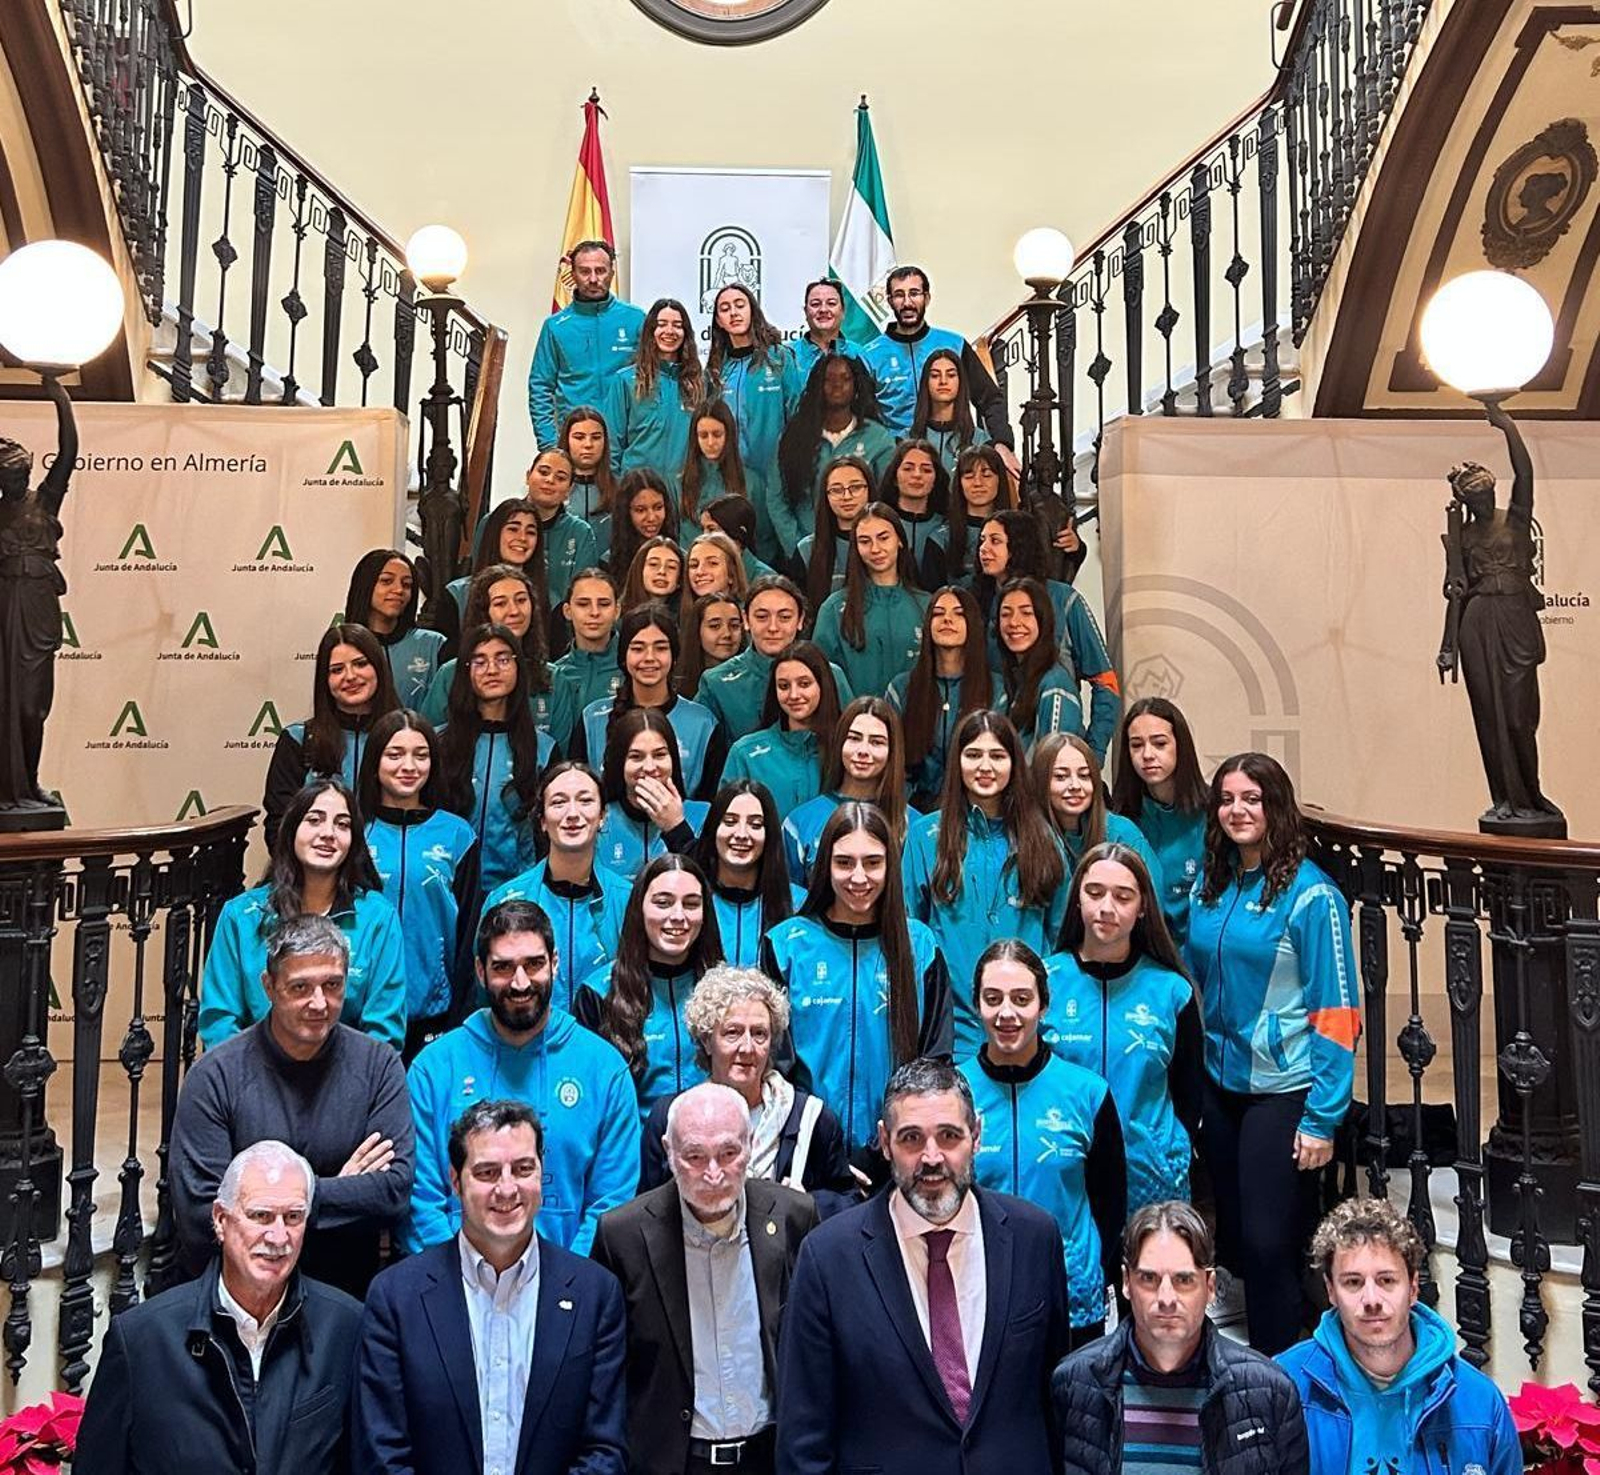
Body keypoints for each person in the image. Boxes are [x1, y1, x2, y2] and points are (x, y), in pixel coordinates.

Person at [776, 1059, 1069, 1475]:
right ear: (883, 1141)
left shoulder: (1034, 1238)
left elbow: (1055, 1401)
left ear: (977, 1136)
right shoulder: (827, 1258)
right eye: (912, 1139)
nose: (932, 1158)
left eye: (949, 1136)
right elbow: (803, 1438)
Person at [1184, 752, 1359, 1355]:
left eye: (1251, 799)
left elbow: (1337, 1013)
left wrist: (1322, 1117)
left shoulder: (1313, 897)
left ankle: (1278, 1375)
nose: (1237, 810)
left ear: (1276, 806)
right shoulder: (1214, 885)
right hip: (1220, 1083)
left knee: (1268, 1243)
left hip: (1284, 1090)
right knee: (1232, 1234)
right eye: (1227, 799)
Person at [355, 1099, 628, 1475]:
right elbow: (381, 1457)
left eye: (523, 1169)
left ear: (541, 1174)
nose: (507, 1189)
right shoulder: (395, 1299)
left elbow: (605, 1450)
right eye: (486, 1172)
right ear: (455, 1181)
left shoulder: (595, 1295)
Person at [77, 1141, 363, 1475]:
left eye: (293, 1217)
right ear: (220, 1220)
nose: (278, 1236)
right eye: (261, 1215)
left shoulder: (345, 1327)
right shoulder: (142, 1340)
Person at [175, 916, 413, 1296]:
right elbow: (202, 1215)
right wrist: (333, 1192)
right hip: (237, 1297)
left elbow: (393, 1193)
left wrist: (261, 1208)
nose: (319, 1004)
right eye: (300, 987)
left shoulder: (378, 1066)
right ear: (269, 987)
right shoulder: (215, 1075)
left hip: (344, 1293)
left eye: (333, 986)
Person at [592, 1081, 820, 1475]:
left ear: (750, 1145)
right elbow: (607, 1373)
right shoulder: (623, 1237)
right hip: (671, 1462)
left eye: (728, 1153)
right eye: (695, 1156)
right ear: (669, 1152)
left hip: (771, 1459)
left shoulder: (792, 1217)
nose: (713, 1173)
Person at [405, 901, 640, 1256]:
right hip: (454, 1284)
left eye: (534, 965)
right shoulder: (434, 1069)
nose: (520, 983)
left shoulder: (604, 1070)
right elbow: (420, 1199)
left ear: (555, 964)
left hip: (570, 1288)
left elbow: (611, 1203)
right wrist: (461, 1277)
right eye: (502, 967)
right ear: (480, 971)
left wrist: (564, 1281)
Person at [1052, 1201, 1311, 1475]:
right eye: (1149, 1279)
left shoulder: (1269, 1391)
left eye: (1184, 1280)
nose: (1166, 1298)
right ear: (1127, 1282)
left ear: (1210, 1286)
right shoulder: (1074, 1384)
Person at [759, 802, 951, 1163]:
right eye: (844, 862)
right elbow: (775, 1066)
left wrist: (893, 1145)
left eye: (873, 863)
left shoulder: (920, 947)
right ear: (824, 867)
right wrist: (818, 1146)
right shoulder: (785, 946)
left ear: (890, 866)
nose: (859, 877)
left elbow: (935, 1059)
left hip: (899, 1155)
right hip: (807, 1153)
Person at [958, 940, 1125, 1345]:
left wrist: (1095, 1273)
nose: (1007, 1013)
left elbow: (1110, 1203)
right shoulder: (954, 1094)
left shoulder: (1088, 1092)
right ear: (977, 1004)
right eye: (993, 999)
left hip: (1070, 1297)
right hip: (979, 1293)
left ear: (1044, 1006)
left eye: (1021, 999)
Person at [1278, 1198, 1519, 1475]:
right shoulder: (1287, 1386)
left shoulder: (1479, 1401)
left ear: (1414, 1287)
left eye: (1386, 1280)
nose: (1371, 1300)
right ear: (1331, 1291)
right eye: (1353, 1282)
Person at [1047, 843, 1202, 1211]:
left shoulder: (1171, 992)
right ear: (1077, 899)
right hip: (1065, 1172)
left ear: (1143, 906)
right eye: (1095, 892)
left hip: (1150, 1174)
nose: (1106, 908)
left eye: (1123, 896)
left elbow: (1189, 1095)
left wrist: (1168, 1149)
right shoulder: (1045, 981)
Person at [904, 711, 1066, 1060]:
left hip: (1028, 1032)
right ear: (957, 762)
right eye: (973, 754)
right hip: (950, 1035)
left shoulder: (1043, 839)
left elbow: (1063, 937)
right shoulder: (924, 837)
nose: (985, 766)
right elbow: (910, 937)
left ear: (1014, 763)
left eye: (998, 755)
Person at [200, 779, 406, 1050]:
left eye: (342, 824)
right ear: (291, 830)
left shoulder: (378, 918)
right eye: (314, 820)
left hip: (347, 1080)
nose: (329, 833)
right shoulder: (240, 916)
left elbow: (384, 1031)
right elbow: (220, 1022)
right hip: (253, 1079)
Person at [638, 966, 855, 1205]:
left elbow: (847, 1204)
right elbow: (648, 1212)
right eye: (732, 1033)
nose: (748, 1047)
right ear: (707, 1041)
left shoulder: (811, 1119)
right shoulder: (670, 1116)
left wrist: (806, 1206)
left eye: (760, 1034)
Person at [358, 709, 479, 1056]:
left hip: (434, 1009)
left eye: (420, 755)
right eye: (395, 754)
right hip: (363, 1009)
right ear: (375, 761)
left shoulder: (458, 835)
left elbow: (469, 929)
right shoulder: (353, 831)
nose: (408, 766)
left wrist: (460, 1010)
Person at [574, 853, 725, 1115]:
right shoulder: (598, 993)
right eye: (663, 903)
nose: (678, 916)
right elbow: (589, 1101)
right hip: (633, 1151)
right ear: (639, 908)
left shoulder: (726, 989)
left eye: (691, 904)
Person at [479, 762, 631, 1013]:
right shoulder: (503, 900)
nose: (572, 813)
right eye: (559, 803)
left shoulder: (629, 900)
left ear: (603, 816)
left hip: (606, 1045)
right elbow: (486, 997)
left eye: (585, 801)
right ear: (542, 820)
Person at [983, 520, 1121, 757]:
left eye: (995, 541)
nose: (984, 548)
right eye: (981, 541)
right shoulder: (983, 601)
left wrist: (1093, 755)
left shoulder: (1065, 600)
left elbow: (1106, 681)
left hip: (1056, 750)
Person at [436, 622, 555, 894]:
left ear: (517, 668)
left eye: (503, 659)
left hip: (517, 891)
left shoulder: (543, 749)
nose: (492, 669)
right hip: (446, 886)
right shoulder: (438, 744)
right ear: (465, 671)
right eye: (479, 661)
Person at [262, 622, 400, 850]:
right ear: (324, 680)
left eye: (360, 664)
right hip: (316, 873)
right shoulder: (298, 740)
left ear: (379, 668)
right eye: (337, 670)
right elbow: (280, 825)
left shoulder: (406, 738)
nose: (350, 676)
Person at [574, 604, 724, 799]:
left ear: (674, 656)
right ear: (623, 656)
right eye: (638, 648)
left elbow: (709, 803)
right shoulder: (592, 719)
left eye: (661, 648)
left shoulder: (703, 723)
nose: (649, 658)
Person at [422, 563, 575, 745]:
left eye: (521, 600)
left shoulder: (555, 679)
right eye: (501, 603)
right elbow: (428, 744)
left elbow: (560, 757)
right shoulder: (450, 674)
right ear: (483, 612)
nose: (514, 611)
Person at [862, 266, 1014, 447]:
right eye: (899, 295)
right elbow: (863, 418)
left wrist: (1002, 444)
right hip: (895, 457)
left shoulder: (954, 344)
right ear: (889, 301)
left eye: (914, 293)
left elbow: (990, 399)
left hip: (954, 452)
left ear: (926, 298)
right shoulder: (870, 355)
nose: (907, 302)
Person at [705, 283, 803, 560]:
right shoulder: (715, 368)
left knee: (773, 550)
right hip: (732, 478)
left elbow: (796, 415)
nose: (734, 313)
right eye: (725, 309)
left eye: (740, 305)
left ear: (752, 310)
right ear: (718, 322)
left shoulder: (779, 357)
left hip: (775, 477)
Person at [697, 575, 852, 742]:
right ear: (746, 619)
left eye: (784, 617)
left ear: (800, 619)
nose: (773, 627)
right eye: (762, 617)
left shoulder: (832, 675)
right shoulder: (716, 683)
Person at [888, 586, 1001, 808]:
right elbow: (892, 766)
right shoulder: (901, 688)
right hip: (913, 814)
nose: (947, 620)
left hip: (978, 811)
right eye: (938, 614)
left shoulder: (998, 689)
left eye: (959, 614)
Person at [1109, 698, 1210, 944]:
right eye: (1136, 745)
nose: (1147, 755)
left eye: (1160, 743)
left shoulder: (1214, 812)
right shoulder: (1121, 818)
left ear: (1180, 746)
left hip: (1202, 950)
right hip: (1141, 950)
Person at [773, 353, 896, 554]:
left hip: (864, 549)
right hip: (807, 548)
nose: (837, 385)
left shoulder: (878, 438)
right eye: (828, 379)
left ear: (857, 386)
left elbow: (888, 499)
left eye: (845, 379)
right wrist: (798, 547)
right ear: (816, 386)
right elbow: (777, 498)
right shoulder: (794, 437)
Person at [528, 236, 644, 447]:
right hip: (575, 442)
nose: (593, 279)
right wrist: (549, 445)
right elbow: (540, 387)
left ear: (612, 272)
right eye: (584, 271)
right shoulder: (556, 326)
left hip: (626, 442)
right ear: (573, 274)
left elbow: (653, 378)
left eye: (600, 270)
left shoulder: (636, 319)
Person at [782, 695, 909, 884]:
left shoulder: (913, 826)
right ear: (840, 743)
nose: (863, 750)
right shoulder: (800, 822)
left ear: (893, 751)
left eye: (876, 742)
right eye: (854, 738)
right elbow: (786, 899)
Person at [813, 502, 929, 697]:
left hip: (915, 721)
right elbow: (822, 676)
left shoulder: (927, 605)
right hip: (855, 723)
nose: (875, 549)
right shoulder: (833, 609)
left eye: (883, 538)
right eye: (865, 541)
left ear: (900, 540)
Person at [691, 781, 803, 966]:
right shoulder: (691, 900)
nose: (742, 834)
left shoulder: (798, 904)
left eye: (755, 824)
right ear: (713, 829)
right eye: (730, 822)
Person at [722, 641, 840, 814]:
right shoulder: (745, 754)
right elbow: (726, 822)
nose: (794, 695)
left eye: (804, 684)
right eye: (784, 686)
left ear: (823, 685)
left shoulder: (846, 749)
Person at [595, 707, 711, 879]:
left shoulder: (704, 816)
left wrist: (677, 828)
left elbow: (710, 887)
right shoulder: (600, 820)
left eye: (659, 755)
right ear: (620, 763)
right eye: (636, 757)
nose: (649, 767)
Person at [1034, 732, 1165, 882]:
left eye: (1084, 776)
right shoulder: (1026, 837)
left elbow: (1152, 897)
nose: (1075, 786)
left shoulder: (1121, 833)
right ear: (1040, 783)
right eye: (1061, 777)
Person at [607, 296, 704, 479]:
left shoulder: (699, 383)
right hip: (637, 489)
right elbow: (612, 444)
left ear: (686, 333)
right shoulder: (625, 381)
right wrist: (618, 489)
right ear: (651, 330)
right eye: (662, 324)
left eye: (677, 325)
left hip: (684, 490)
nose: (669, 331)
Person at [440, 496, 546, 654]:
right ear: (494, 533)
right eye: (513, 529)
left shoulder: (547, 597)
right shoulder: (456, 594)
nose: (522, 538)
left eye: (530, 532)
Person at [344, 547, 445, 707]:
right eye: (386, 581)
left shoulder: (434, 645)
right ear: (365, 585)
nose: (399, 590)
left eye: (407, 584)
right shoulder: (343, 645)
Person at [998, 577, 1086, 745]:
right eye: (1006, 614)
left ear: (1043, 620)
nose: (1014, 622)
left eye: (1026, 613)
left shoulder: (1054, 685)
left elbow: (1053, 763)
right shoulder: (1017, 682)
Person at [677, 400, 764, 547]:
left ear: (728, 435)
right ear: (695, 438)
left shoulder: (752, 482)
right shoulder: (679, 484)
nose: (710, 442)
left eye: (717, 434)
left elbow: (764, 540)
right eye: (703, 436)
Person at [525, 445, 600, 614]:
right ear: (528, 476)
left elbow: (583, 593)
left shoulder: (581, 533)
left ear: (569, 490)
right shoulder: (497, 522)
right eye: (543, 472)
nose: (550, 480)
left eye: (560, 478)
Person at [799, 455, 872, 605]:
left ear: (869, 490)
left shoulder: (888, 543)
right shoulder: (806, 550)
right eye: (836, 490)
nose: (847, 497)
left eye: (855, 487)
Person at [878, 438, 951, 585]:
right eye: (908, 468)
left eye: (926, 470)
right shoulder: (878, 523)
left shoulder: (947, 527)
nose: (917, 475)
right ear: (894, 477)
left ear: (936, 478)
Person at [553, 566, 625, 712]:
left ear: (617, 611)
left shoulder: (633, 668)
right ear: (567, 611)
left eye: (604, 604)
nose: (594, 612)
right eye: (583, 604)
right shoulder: (555, 675)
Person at [944, 443, 1017, 585]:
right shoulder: (941, 538)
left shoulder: (1020, 531)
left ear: (999, 479)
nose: (978, 483)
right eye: (969, 476)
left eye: (987, 475)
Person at [910, 347, 990, 473]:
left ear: (960, 382)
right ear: (926, 382)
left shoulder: (980, 441)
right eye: (935, 375)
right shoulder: (906, 439)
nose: (943, 381)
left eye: (951, 375)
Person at [601, 467, 677, 574]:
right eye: (640, 510)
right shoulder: (608, 563)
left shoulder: (680, 559)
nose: (651, 518)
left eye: (658, 507)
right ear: (626, 513)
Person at [559, 403, 619, 522]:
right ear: (567, 440)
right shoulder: (553, 489)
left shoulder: (619, 490)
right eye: (579, 437)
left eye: (596, 437)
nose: (588, 445)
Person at [792, 277, 863, 377]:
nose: (823, 310)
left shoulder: (859, 355)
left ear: (843, 311)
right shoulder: (787, 356)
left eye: (831, 303)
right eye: (815, 304)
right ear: (806, 312)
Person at [700, 493, 776, 586]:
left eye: (712, 529)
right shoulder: (701, 574)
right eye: (703, 529)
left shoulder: (765, 579)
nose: (704, 536)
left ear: (737, 532)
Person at [679, 592, 745, 696]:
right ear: (697, 630)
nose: (727, 634)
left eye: (734, 625)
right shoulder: (676, 686)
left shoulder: (755, 683)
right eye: (715, 626)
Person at [682, 530, 749, 626]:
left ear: (731, 574)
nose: (699, 571)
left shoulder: (749, 617)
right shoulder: (679, 619)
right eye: (694, 565)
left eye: (713, 563)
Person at [622, 536, 686, 611]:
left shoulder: (688, 619)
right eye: (653, 564)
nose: (662, 571)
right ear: (639, 570)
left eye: (671, 567)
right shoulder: (615, 616)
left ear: (680, 579)